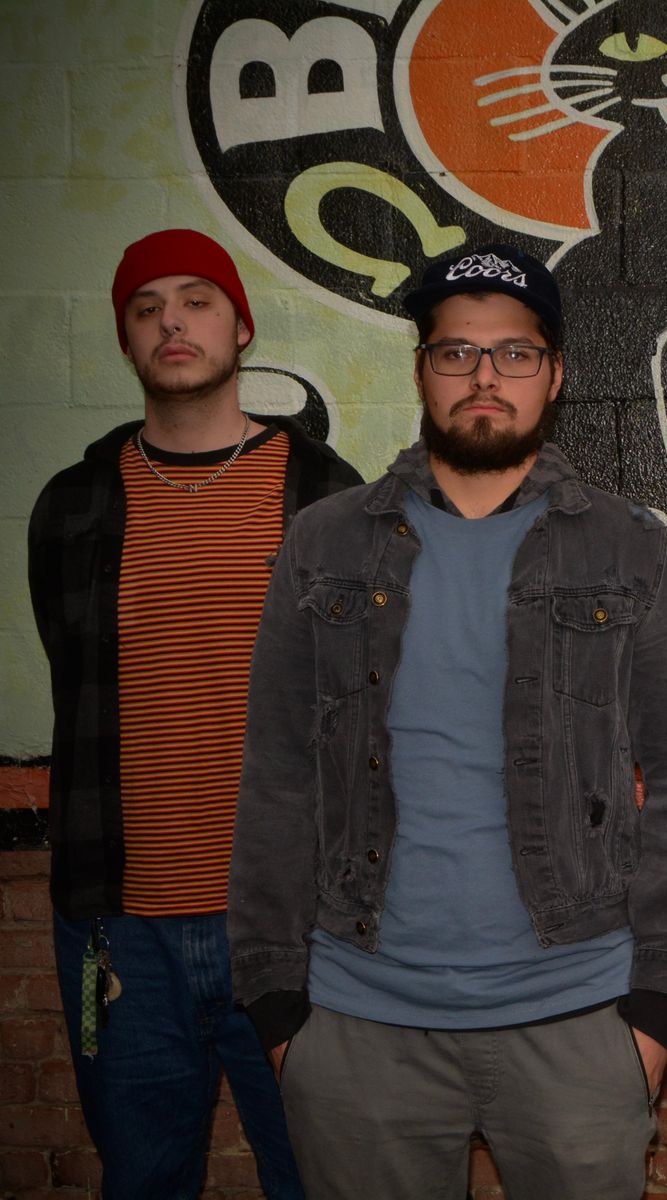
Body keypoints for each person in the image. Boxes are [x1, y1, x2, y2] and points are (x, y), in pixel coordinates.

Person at [227, 243, 667, 1199]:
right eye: (457, 352)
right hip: (358, 1022)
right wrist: (279, 1009)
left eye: (514, 353)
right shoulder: (326, 544)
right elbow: (277, 774)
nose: (485, 376)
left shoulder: (629, 548)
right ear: (421, 370)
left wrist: (655, 1014)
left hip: (578, 1019)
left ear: (555, 375)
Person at [27, 228, 361, 1197]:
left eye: (196, 300)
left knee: (327, 1178)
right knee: (142, 1180)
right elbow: (76, 680)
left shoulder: (328, 498)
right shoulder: (74, 507)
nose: (171, 321)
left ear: (241, 327)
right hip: (120, 932)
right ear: (127, 341)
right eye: (147, 308)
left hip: (298, 921)